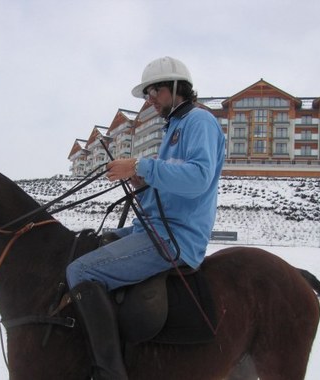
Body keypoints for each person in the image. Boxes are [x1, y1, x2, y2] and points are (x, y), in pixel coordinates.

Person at [66, 56, 226, 379]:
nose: (149, 100)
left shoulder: (199, 122)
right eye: (147, 95)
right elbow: (169, 189)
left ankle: (110, 372)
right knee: (85, 248)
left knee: (80, 271)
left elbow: (198, 178)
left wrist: (140, 167)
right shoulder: (174, 128)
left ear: (177, 87)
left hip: (175, 238)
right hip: (153, 228)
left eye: (154, 91)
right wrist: (142, 184)